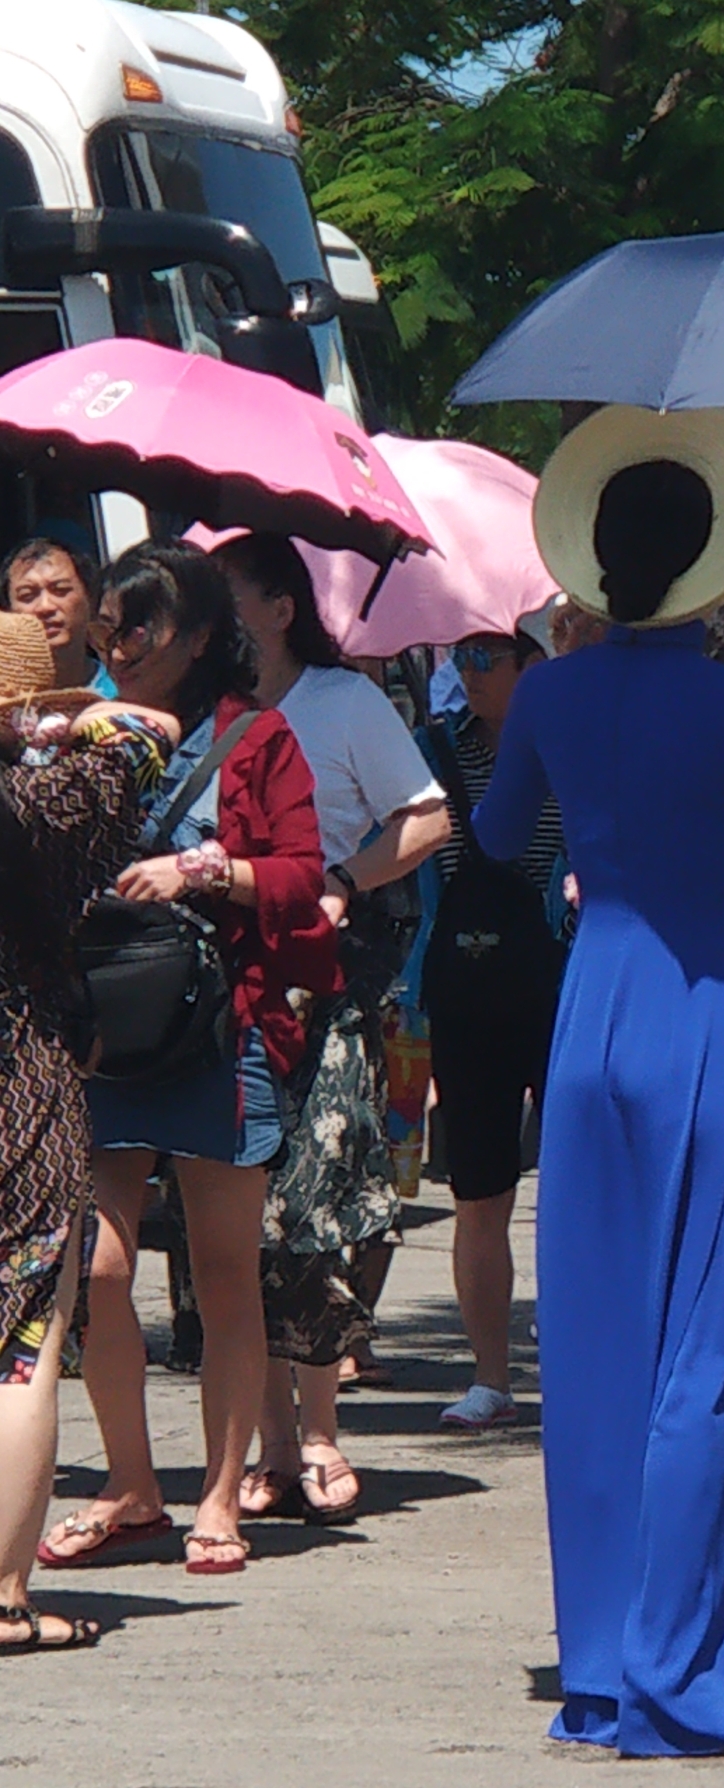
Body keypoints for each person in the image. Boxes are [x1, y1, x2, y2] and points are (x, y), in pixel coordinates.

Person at [475, 405, 724, 1756]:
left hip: (595, 1014)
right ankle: (697, 1669)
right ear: (708, 561)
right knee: (713, 1344)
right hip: (702, 1017)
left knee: (601, 1348)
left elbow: (503, 834)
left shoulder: (555, 689)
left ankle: (614, 1655)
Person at [40, 543, 336, 1576]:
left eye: (140, 628)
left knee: (223, 1275)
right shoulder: (84, 733)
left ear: (202, 636)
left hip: (223, 1030)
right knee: (97, 1266)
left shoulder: (256, 737)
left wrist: (202, 868)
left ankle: (218, 1494)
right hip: (104, 1034)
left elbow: (303, 875)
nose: (116, 646)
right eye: (109, 625)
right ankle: (130, 1484)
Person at [213, 533, 448, 1526]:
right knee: (231, 1233)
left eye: (227, 598)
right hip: (223, 1001)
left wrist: (347, 880)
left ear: (278, 606)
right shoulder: (203, 715)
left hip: (324, 997)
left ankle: (316, 1434)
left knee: (304, 1222)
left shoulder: (343, 701)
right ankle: (260, 1447)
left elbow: (429, 818)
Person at [0, 617, 176, 1649]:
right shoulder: (54, 802)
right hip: (23, 1074)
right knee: (23, 1341)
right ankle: (7, 1599)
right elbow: (149, 733)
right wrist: (85, 717)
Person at [425, 631, 564, 1431]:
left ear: (531, 666)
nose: (469, 676)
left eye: (487, 659)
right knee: (477, 1190)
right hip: (461, 989)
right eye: (461, 660)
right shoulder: (433, 748)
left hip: (557, 982)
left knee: (574, 1184)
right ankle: (489, 1376)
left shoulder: (570, 749)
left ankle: (575, 1359)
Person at [0, 537, 98, 692]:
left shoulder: (127, 689)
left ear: (90, 599)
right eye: (27, 596)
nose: (45, 607)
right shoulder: (5, 705)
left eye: (60, 590)